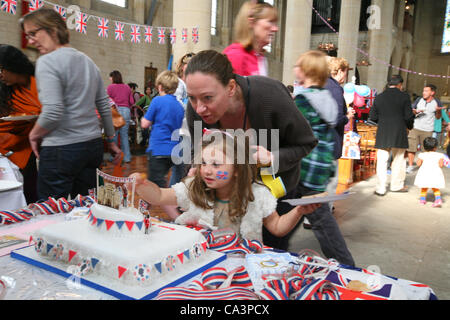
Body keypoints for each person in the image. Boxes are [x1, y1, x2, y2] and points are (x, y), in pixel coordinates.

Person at [184, 49, 318, 250]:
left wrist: (272, 158)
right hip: (225, 197)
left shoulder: (269, 95)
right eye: (192, 98)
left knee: (268, 254)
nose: (199, 108)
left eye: (207, 98)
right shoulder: (195, 110)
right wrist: (197, 167)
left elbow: (306, 142)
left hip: (273, 193)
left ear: (230, 87)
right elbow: (199, 151)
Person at [128, 131, 319, 243]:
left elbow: (277, 228)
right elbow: (159, 195)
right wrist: (141, 185)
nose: (207, 171)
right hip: (201, 263)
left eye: (216, 165)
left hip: (241, 268)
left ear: (237, 169)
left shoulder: (257, 194)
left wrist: (299, 211)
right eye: (203, 163)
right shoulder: (196, 188)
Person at [20, 8, 121, 201]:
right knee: (84, 209)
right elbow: (103, 104)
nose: (30, 41)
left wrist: (33, 135)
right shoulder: (88, 61)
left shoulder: (47, 62)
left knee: (50, 211)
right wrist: (110, 140)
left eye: (33, 33)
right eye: (27, 35)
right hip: (92, 146)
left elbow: (53, 111)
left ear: (52, 29)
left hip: (61, 148)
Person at [293, 50, 354, 266]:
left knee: (321, 220)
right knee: (291, 211)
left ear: (307, 71)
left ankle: (347, 266)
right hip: (320, 163)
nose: (295, 69)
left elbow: (294, 131)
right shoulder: (326, 95)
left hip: (306, 166)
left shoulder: (303, 98)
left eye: (298, 66)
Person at [0, 44, 41, 203]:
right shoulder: (7, 89)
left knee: (32, 188)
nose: (0, 75)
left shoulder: (39, 81)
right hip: (12, 143)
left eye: (2, 70)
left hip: (38, 141)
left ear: (14, 65)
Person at [141, 70, 184, 219]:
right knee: (152, 184)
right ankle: (141, 214)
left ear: (160, 87)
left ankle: (179, 221)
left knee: (157, 189)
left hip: (159, 149)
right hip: (175, 150)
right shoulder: (179, 106)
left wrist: (143, 119)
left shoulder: (157, 101)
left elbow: (145, 124)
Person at [368, 75, 415, 196]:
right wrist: (409, 126)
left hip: (383, 132)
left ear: (388, 83)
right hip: (399, 131)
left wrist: (383, 122)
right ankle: (396, 185)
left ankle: (381, 188)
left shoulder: (379, 97)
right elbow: (408, 116)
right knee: (398, 160)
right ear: (400, 84)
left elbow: (373, 117)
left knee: (382, 161)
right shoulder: (404, 96)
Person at [223, 1, 278, 76]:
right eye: (270, 22)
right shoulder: (235, 55)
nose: (275, 29)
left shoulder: (260, 57)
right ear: (252, 22)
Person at [170, 52, 196, 187]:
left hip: (193, 131)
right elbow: (176, 104)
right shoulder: (179, 84)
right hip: (181, 131)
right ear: (181, 71)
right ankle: (173, 201)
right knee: (180, 169)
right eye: (186, 71)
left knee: (189, 168)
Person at [406, 84, 442, 173]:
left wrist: (438, 110)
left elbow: (438, 117)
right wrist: (415, 111)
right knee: (411, 147)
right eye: (423, 91)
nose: (424, 93)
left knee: (425, 150)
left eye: (426, 91)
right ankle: (410, 165)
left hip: (427, 129)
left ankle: (423, 166)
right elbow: (412, 111)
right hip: (415, 127)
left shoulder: (437, 102)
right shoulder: (418, 100)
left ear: (432, 92)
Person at [107, 70, 134, 163]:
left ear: (113, 77)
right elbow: (132, 102)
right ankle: (127, 158)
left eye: (110, 77)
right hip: (126, 111)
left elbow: (106, 100)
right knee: (124, 135)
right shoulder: (127, 87)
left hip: (115, 111)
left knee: (114, 136)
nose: (110, 79)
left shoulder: (110, 87)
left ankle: (114, 157)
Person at [414, 137, 445, 208]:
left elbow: (418, 164)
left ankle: (422, 200)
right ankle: (438, 200)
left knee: (424, 187)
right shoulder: (440, 155)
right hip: (435, 173)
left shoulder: (422, 155)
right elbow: (441, 165)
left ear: (424, 147)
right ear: (435, 147)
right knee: (435, 187)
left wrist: (419, 161)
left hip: (425, 173)